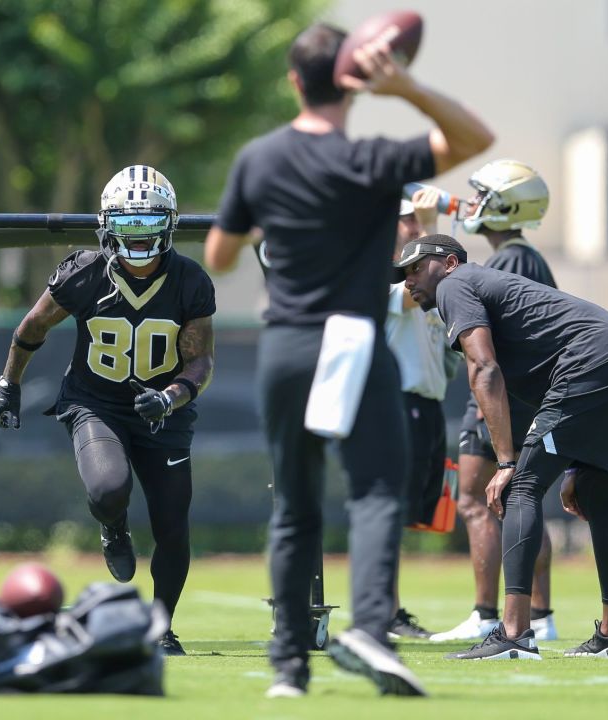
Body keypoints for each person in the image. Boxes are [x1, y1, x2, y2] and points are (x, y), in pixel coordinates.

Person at [204, 22, 493, 698]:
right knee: (374, 491)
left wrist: (256, 219)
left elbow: (218, 256)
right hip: (353, 342)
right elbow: (476, 139)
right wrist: (407, 87)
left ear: (291, 82)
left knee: (295, 507)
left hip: (284, 345)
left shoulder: (259, 158)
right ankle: (368, 625)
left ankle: (288, 668)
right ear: (352, 84)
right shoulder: (369, 159)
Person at [0, 165, 215, 657]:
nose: (138, 237)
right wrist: (9, 385)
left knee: (173, 523)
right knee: (109, 489)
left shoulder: (190, 280)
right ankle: (113, 526)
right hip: (97, 403)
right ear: (107, 226)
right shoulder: (84, 271)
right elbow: (31, 328)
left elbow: (200, 361)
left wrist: (169, 399)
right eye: (128, 225)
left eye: (148, 224)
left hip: (165, 412)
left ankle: (161, 625)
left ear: (169, 225)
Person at [397, 235, 608, 661]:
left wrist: (505, 461)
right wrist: (574, 467)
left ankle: (515, 632)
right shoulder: (478, 284)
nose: (408, 281)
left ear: (448, 262)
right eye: (403, 274)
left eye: (415, 269)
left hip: (595, 359)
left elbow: (484, 368)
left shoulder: (454, 285)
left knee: (520, 487)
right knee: (595, 491)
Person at [430, 160, 560, 643]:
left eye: (484, 195)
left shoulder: (511, 260)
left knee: (478, 500)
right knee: (520, 500)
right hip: (522, 392)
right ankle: (540, 615)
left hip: (502, 392)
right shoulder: (526, 259)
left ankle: (488, 613)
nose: (473, 204)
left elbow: (488, 344)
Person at [384, 190, 456, 641]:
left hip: (428, 406)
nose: (414, 226)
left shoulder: (424, 281)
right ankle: (384, 611)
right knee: (387, 514)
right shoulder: (383, 279)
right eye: (406, 220)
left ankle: (390, 609)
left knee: (410, 515)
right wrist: (431, 227)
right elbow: (411, 294)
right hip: (398, 405)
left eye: (417, 220)